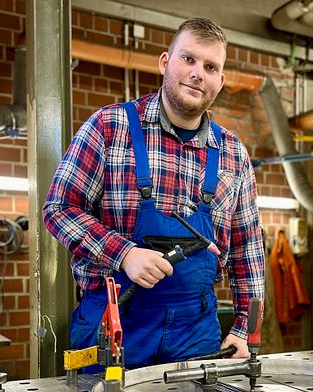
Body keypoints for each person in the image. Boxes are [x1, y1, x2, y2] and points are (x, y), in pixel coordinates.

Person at [42, 17, 265, 369]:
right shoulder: (108, 126)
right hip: (115, 322)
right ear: (165, 62)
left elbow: (247, 250)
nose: (197, 73)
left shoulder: (233, 153)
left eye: (210, 67)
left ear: (220, 82)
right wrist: (125, 255)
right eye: (188, 59)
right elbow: (59, 207)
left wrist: (244, 330)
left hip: (195, 330)